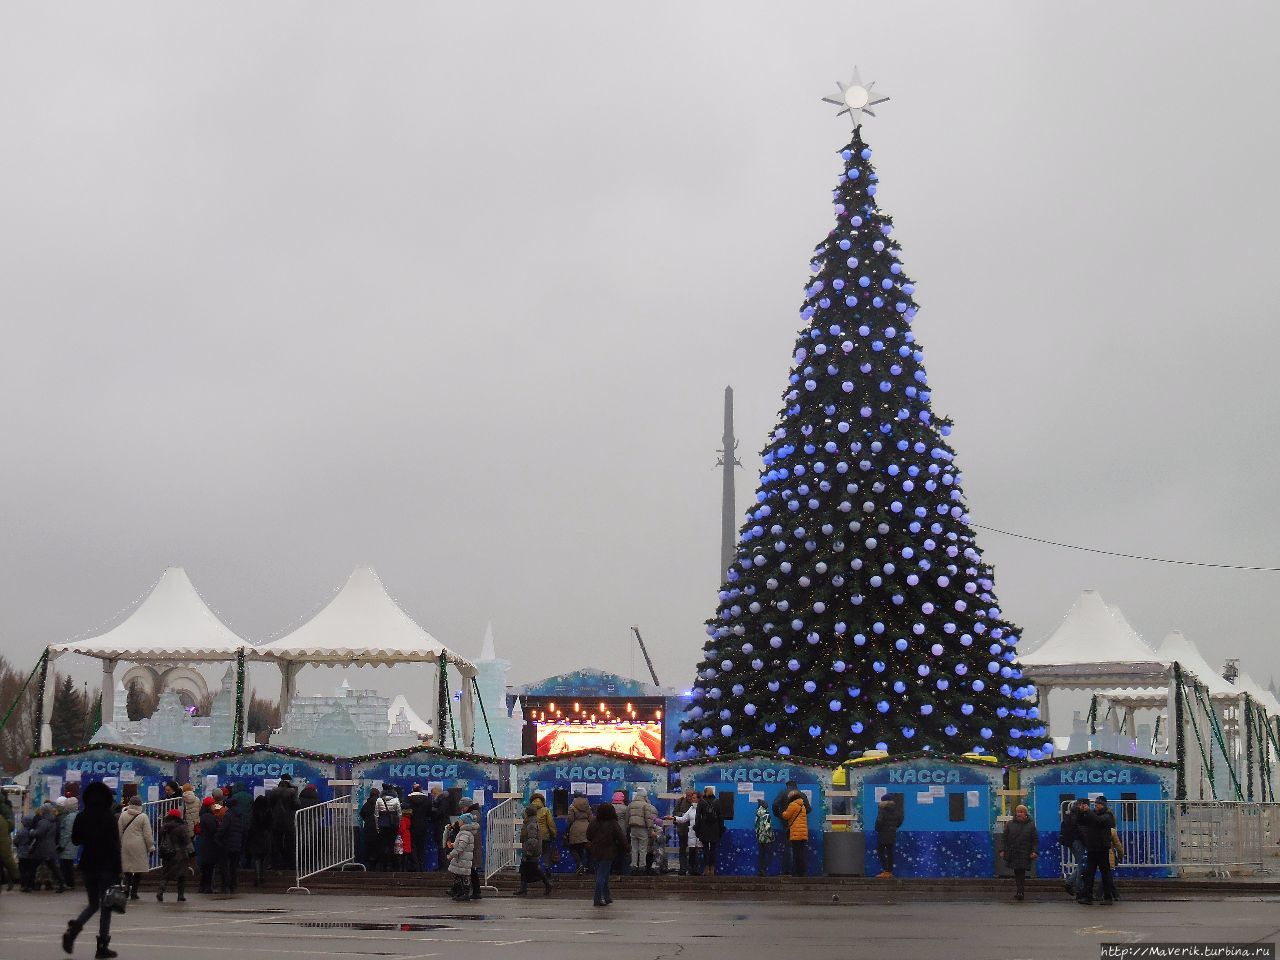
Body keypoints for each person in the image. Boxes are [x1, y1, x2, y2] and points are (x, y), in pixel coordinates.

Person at [62, 781, 122, 959]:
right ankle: (102, 946)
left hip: (88, 864)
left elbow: (75, 840)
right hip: (106, 866)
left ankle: (74, 929)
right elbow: (114, 845)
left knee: (93, 903)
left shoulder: (82, 816)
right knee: (106, 907)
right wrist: (118, 870)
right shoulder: (109, 817)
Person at [1076, 797, 1118, 905]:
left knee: (1105, 873)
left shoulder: (1108, 816)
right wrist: (1081, 812)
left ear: (1103, 805)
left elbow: (1098, 821)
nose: (1096, 806)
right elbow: (1081, 822)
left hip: (1102, 848)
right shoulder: (1093, 814)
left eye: (1098, 804)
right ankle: (1087, 896)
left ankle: (1108, 897)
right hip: (1092, 848)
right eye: (1095, 804)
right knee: (1089, 873)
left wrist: (1088, 811)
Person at [586, 801, 628, 907]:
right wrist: (627, 848)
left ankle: (607, 897)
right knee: (602, 875)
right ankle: (597, 898)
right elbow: (621, 837)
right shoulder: (613, 823)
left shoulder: (594, 822)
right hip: (608, 852)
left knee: (603, 875)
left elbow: (588, 835)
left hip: (595, 851)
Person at [117, 795, 153, 901]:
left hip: (126, 843)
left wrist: (120, 842)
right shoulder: (143, 817)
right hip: (139, 845)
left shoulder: (123, 815)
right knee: (138, 870)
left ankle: (127, 889)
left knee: (127, 868)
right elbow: (147, 834)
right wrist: (151, 847)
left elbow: (119, 831)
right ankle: (134, 893)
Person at [1000, 804, 1037, 901]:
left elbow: (1035, 839)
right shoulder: (1010, 824)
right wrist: (1002, 849)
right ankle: (1019, 891)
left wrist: (1034, 851)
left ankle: (1020, 891)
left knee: (1021, 872)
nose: (1019, 814)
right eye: (1018, 812)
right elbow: (1004, 838)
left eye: (1021, 812)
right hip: (1014, 851)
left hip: (1025, 852)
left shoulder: (1031, 825)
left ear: (1025, 813)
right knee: (1017, 871)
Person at [772, 780, 808, 875]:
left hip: (788, 825)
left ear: (788, 786)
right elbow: (808, 809)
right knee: (800, 851)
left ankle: (788, 870)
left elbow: (775, 804)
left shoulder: (783, 793)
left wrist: (778, 815)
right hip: (802, 828)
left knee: (790, 848)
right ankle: (801, 872)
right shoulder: (802, 795)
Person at [514, 808, 552, 896]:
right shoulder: (531, 822)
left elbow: (532, 839)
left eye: (525, 812)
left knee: (534, 869)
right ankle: (523, 888)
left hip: (531, 851)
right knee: (524, 869)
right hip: (530, 850)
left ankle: (547, 883)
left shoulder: (531, 824)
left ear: (528, 814)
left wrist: (529, 851)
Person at [155, 808, 191, 902]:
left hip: (167, 853)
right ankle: (180, 895)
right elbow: (187, 840)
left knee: (165, 874)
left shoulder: (164, 827)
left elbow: (160, 840)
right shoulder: (181, 827)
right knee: (181, 875)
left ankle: (160, 892)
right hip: (180, 854)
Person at [216, 790, 247, 894]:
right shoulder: (239, 815)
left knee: (225, 866)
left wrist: (217, 837)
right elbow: (242, 831)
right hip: (237, 844)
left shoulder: (228, 815)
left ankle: (225, 886)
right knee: (233, 867)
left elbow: (223, 829)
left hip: (227, 844)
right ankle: (233, 885)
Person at [1059, 797, 1089, 898]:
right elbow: (1082, 831)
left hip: (1070, 842)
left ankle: (1069, 883)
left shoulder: (1069, 815)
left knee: (1081, 864)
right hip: (1078, 842)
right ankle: (1079, 889)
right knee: (1082, 865)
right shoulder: (1080, 815)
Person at [446, 810, 479, 902]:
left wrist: (451, 855)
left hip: (463, 859)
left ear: (464, 822)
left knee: (464, 876)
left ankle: (465, 893)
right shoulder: (465, 832)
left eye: (460, 820)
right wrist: (453, 844)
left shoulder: (465, 833)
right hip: (463, 858)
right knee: (460, 876)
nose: (458, 822)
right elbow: (461, 844)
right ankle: (461, 893)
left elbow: (461, 847)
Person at [269, 775, 300, 870]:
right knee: (289, 843)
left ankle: (276, 864)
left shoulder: (273, 791)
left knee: (276, 843)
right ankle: (290, 865)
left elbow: (269, 804)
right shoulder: (292, 791)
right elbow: (297, 805)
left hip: (275, 821)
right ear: (288, 782)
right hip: (288, 821)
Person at [626, 788, 658, 875]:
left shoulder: (631, 804)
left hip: (633, 828)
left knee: (634, 848)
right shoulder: (646, 805)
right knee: (643, 849)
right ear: (644, 796)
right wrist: (650, 829)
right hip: (642, 828)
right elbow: (648, 818)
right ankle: (642, 867)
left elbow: (627, 817)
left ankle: (633, 866)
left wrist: (627, 827)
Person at [694, 787, 724, 876]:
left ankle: (706, 868)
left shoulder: (701, 802)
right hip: (715, 829)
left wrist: (697, 828)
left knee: (706, 849)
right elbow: (720, 816)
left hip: (704, 828)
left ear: (705, 793)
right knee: (713, 849)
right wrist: (721, 828)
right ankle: (712, 869)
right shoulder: (717, 802)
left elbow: (698, 816)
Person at [526, 792, 558, 873]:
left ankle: (534, 871)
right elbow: (550, 823)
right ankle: (546, 868)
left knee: (533, 854)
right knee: (546, 853)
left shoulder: (528, 810)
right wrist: (554, 834)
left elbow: (525, 823)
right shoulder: (545, 810)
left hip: (532, 835)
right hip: (544, 836)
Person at [782, 789, 810, 877]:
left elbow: (786, 815)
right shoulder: (803, 806)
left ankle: (797, 872)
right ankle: (803, 872)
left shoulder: (793, 805)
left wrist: (782, 812)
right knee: (801, 853)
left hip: (796, 833)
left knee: (796, 853)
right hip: (803, 833)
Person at [196, 797, 222, 894]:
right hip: (210, 844)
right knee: (209, 867)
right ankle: (208, 887)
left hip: (205, 843)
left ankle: (202, 886)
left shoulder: (203, 816)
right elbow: (213, 829)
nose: (214, 806)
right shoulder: (209, 817)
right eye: (212, 805)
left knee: (206, 866)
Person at [374, 784, 402, 872]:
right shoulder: (396, 800)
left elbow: (376, 815)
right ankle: (391, 865)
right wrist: (398, 824)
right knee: (391, 845)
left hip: (382, 825)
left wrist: (377, 827)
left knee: (383, 845)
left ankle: (383, 865)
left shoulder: (379, 800)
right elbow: (399, 814)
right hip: (393, 825)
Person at [247, 795, 273, 887]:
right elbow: (271, 825)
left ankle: (257, 876)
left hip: (255, 836)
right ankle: (262, 876)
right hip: (265, 836)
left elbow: (250, 824)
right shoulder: (268, 812)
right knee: (264, 858)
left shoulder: (254, 812)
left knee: (257, 858)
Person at [874, 797, 903, 878]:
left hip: (883, 833)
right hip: (892, 834)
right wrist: (894, 827)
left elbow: (879, 821)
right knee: (890, 852)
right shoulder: (895, 809)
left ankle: (885, 870)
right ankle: (889, 871)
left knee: (880, 851)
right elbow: (900, 820)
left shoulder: (882, 809)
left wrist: (877, 828)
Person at [673, 794, 702, 875]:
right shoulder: (691, 808)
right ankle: (691, 869)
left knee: (697, 851)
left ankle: (696, 869)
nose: (692, 799)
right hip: (692, 833)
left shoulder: (702, 807)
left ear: (698, 799)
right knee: (692, 851)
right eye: (691, 798)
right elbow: (684, 819)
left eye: (693, 798)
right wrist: (674, 818)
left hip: (699, 833)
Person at [565, 791, 592, 874]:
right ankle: (585, 868)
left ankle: (579, 864)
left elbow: (570, 820)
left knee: (573, 848)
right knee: (585, 848)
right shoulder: (588, 806)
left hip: (575, 828)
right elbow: (591, 819)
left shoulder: (572, 806)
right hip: (587, 828)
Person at [406, 784, 432, 871]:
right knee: (421, 847)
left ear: (413, 790)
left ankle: (415, 866)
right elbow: (429, 813)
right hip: (423, 826)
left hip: (411, 825)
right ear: (420, 790)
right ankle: (422, 867)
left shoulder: (408, 799)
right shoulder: (427, 800)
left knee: (413, 846)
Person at [56, 796, 79, 891]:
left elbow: (67, 832)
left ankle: (67, 883)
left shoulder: (70, 817)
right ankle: (70, 883)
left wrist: (61, 845)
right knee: (68, 865)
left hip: (67, 846)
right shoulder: (76, 815)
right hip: (72, 845)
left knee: (65, 866)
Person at [0, 788, 19, 891]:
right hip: (5, 836)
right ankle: (10, 879)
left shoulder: (4, 807)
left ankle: (10, 878)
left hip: (4, 835)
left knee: (4, 859)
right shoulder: (7, 807)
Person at [428, 786, 450, 872]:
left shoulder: (443, 800)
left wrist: (433, 815)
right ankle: (442, 866)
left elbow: (441, 812)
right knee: (441, 846)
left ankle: (444, 867)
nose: (432, 796)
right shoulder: (443, 800)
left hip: (442, 826)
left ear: (436, 793)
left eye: (433, 794)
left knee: (442, 846)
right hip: (441, 825)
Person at [359, 788, 381, 868]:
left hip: (368, 828)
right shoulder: (379, 803)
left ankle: (369, 864)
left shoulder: (366, 804)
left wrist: (367, 820)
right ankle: (377, 864)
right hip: (378, 827)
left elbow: (362, 813)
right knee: (378, 846)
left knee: (369, 846)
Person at [753, 799, 774, 877]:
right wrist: (771, 837)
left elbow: (756, 826)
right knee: (768, 854)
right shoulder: (766, 815)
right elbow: (767, 827)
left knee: (761, 855)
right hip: (766, 838)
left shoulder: (757, 815)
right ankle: (763, 870)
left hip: (760, 838)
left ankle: (760, 870)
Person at [397, 806, 414, 871]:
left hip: (403, 836)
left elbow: (402, 829)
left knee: (401, 855)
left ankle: (401, 869)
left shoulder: (403, 819)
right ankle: (405, 868)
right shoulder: (409, 819)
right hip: (407, 835)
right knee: (406, 855)